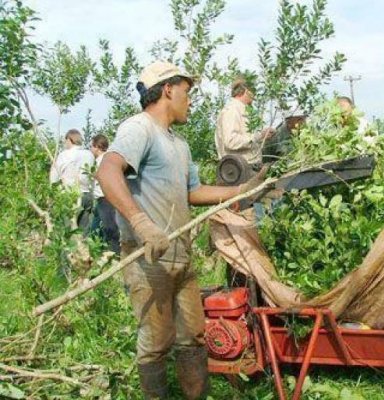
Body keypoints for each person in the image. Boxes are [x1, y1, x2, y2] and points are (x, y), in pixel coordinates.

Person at [96, 61, 265, 400]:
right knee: (156, 343)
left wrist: (239, 191)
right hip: (149, 257)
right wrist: (142, 223)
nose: (190, 99)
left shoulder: (180, 144)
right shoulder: (139, 128)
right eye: (187, 92)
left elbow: (193, 192)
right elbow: (107, 171)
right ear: (168, 89)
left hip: (180, 256)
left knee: (193, 337)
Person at [215, 77, 274, 166]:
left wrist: (263, 136)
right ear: (246, 91)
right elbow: (231, 141)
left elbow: (247, 138)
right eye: (253, 92)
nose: (254, 96)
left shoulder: (241, 109)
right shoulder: (232, 110)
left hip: (248, 167)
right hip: (240, 170)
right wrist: (258, 136)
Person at [50, 129, 95, 234]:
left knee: (68, 230)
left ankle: (70, 251)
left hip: (70, 194)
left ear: (69, 140)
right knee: (84, 230)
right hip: (86, 194)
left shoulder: (64, 155)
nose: (65, 144)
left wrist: (53, 193)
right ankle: (83, 249)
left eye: (65, 141)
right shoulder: (89, 154)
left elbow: (54, 177)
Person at [90, 134, 120, 254]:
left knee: (110, 227)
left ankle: (115, 253)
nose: (91, 149)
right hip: (101, 198)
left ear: (97, 146)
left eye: (92, 146)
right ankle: (98, 251)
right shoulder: (105, 159)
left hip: (105, 198)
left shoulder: (103, 160)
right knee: (95, 227)